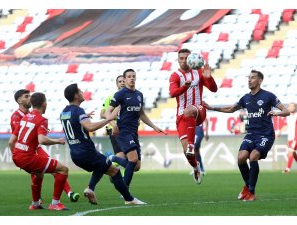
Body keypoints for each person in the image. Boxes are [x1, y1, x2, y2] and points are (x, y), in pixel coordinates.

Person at [204, 69, 289, 201]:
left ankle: (251, 192)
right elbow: (231, 109)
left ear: (260, 80)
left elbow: (286, 111)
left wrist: (277, 113)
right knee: (241, 157)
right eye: (249, 78)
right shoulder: (246, 98)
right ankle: (248, 186)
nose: (249, 80)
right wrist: (212, 108)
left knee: (253, 156)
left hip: (265, 135)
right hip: (251, 134)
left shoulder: (269, 96)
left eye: (253, 78)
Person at [60, 83, 146, 205]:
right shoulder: (79, 111)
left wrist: (84, 117)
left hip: (75, 154)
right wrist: (108, 119)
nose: (82, 92)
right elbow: (89, 127)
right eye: (79, 91)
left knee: (102, 166)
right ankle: (129, 199)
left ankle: (90, 188)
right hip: (86, 152)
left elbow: (74, 126)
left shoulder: (64, 112)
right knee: (114, 171)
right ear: (75, 95)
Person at [9, 89, 80, 203]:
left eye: (30, 96)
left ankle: (66, 193)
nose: (29, 98)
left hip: (32, 149)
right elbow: (19, 139)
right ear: (19, 100)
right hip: (26, 151)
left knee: (47, 170)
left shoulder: (28, 115)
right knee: (53, 170)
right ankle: (51, 201)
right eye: (26, 96)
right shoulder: (17, 117)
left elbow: (11, 140)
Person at [105, 69, 166, 190]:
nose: (131, 78)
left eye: (133, 76)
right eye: (129, 77)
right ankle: (125, 191)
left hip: (134, 132)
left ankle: (112, 158)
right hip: (123, 131)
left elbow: (142, 114)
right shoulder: (120, 94)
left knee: (136, 166)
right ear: (125, 79)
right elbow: (107, 112)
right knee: (132, 159)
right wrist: (114, 125)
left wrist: (154, 127)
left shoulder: (139, 95)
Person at [169, 48, 218, 184]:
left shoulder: (199, 72)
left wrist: (209, 78)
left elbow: (214, 89)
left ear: (191, 59)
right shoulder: (175, 76)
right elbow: (172, 93)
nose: (184, 61)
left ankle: (192, 144)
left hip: (199, 109)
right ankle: (196, 167)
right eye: (181, 58)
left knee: (189, 110)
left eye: (186, 58)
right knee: (187, 153)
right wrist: (184, 86)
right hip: (181, 116)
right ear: (178, 60)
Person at [100, 75, 126, 166]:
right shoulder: (111, 98)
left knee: (128, 157)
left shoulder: (132, 96)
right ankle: (107, 167)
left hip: (128, 129)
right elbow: (102, 114)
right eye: (120, 81)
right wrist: (115, 117)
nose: (122, 83)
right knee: (121, 155)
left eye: (123, 81)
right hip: (114, 129)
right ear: (116, 84)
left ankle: (110, 166)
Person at [276, 102, 297, 174]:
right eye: (289, 106)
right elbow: (286, 126)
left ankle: (287, 169)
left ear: (295, 108)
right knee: (293, 153)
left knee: (290, 152)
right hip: (290, 137)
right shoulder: (288, 116)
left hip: (295, 137)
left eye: (292, 106)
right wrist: (279, 132)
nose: (290, 108)